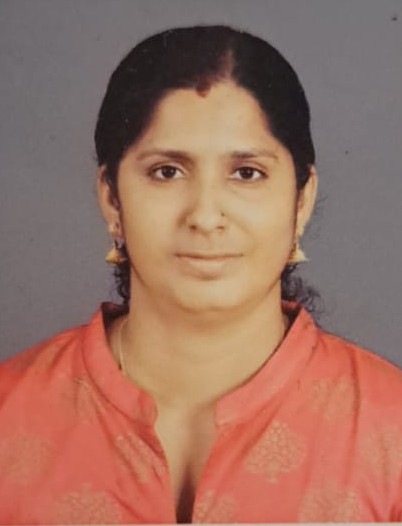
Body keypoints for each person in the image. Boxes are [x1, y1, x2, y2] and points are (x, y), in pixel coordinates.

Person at [1, 25, 402, 524]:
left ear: (301, 199)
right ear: (111, 198)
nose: (206, 216)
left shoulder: (392, 429)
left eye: (247, 173)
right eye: (167, 171)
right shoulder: (9, 415)